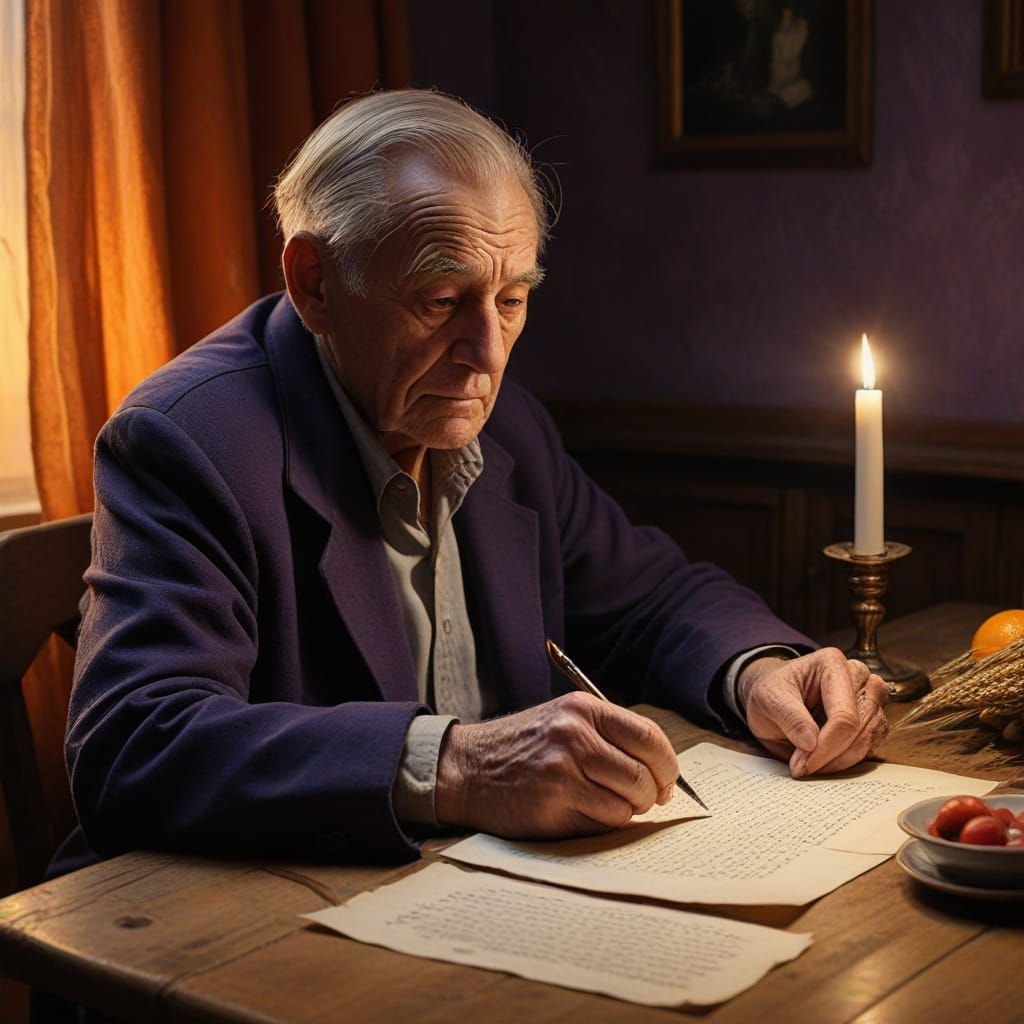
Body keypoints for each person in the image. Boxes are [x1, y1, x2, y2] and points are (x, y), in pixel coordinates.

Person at [57, 89, 889, 874]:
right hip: (222, 923)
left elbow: (649, 597)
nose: (488, 355)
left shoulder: (508, 425)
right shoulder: (190, 437)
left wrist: (759, 671)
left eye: (513, 299)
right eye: (441, 299)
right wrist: (458, 765)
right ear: (315, 283)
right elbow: (134, 744)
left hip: (479, 891)